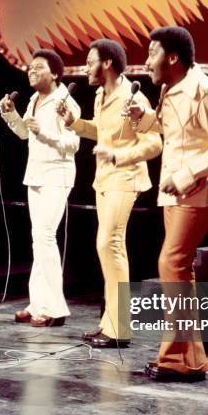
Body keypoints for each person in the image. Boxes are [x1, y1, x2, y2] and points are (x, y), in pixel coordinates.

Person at [129, 26, 208, 380]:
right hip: (175, 190)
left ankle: (178, 359)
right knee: (179, 268)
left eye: (152, 53)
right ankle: (189, 360)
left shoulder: (204, 92)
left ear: (172, 57)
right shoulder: (169, 88)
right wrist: (144, 120)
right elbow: (171, 130)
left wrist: (188, 174)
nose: (146, 62)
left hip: (198, 189)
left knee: (171, 261)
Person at [57, 39, 162, 347]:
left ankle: (119, 329)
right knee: (109, 249)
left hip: (125, 177)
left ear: (107, 63)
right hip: (104, 179)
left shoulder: (133, 98)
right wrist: (74, 124)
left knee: (109, 244)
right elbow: (102, 133)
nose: (86, 68)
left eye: (90, 62)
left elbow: (155, 143)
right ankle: (110, 323)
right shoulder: (102, 94)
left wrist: (120, 156)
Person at [0, 49, 81, 327]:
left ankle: (55, 309)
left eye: (39, 67)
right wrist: (11, 117)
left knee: (45, 237)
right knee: (39, 240)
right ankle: (38, 303)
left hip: (57, 174)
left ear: (55, 73)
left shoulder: (65, 102)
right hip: (35, 174)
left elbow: (73, 144)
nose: (31, 71)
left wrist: (43, 133)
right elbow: (25, 133)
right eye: (30, 67)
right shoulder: (34, 99)